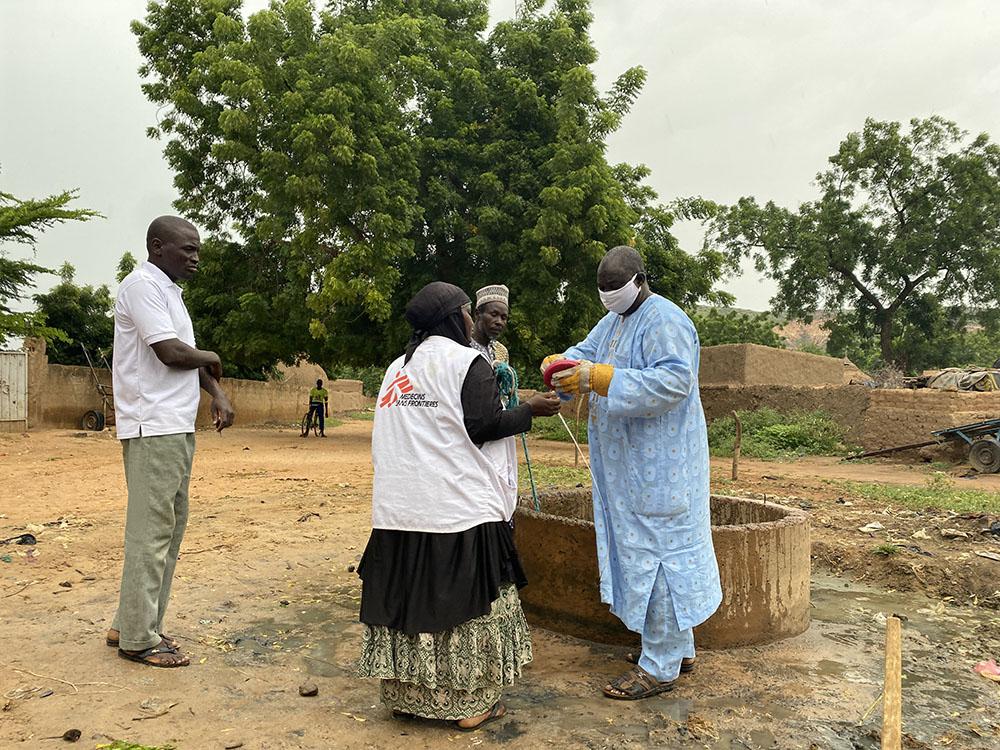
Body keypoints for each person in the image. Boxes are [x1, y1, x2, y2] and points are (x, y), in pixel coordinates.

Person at [357, 281, 562, 730]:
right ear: (454, 318)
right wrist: (531, 410)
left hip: (399, 509)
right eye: (468, 312)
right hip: (456, 509)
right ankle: (470, 704)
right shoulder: (466, 362)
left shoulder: (397, 369)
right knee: (466, 606)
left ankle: (410, 697)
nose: (472, 320)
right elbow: (483, 425)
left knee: (408, 601)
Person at [543, 245, 721, 700]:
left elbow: (674, 381)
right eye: (602, 291)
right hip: (629, 471)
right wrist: (561, 364)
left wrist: (599, 379)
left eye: (615, 289)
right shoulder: (614, 321)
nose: (608, 298)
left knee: (660, 562)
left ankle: (658, 668)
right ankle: (677, 650)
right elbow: (585, 353)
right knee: (653, 558)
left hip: (660, 470)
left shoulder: (666, 320)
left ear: (641, 279)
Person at [106, 215, 235, 668]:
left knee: (167, 525)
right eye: (188, 250)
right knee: (153, 529)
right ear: (158, 247)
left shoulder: (169, 293)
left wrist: (216, 393)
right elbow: (171, 352)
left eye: (198, 249)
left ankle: (131, 621)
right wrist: (214, 357)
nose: (196, 257)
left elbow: (185, 357)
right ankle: (139, 640)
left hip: (174, 426)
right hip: (153, 426)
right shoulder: (141, 286)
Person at [470, 284, 510, 368]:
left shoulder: (501, 351)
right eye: (494, 314)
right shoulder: (462, 345)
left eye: (503, 317)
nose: (499, 322)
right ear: (477, 314)